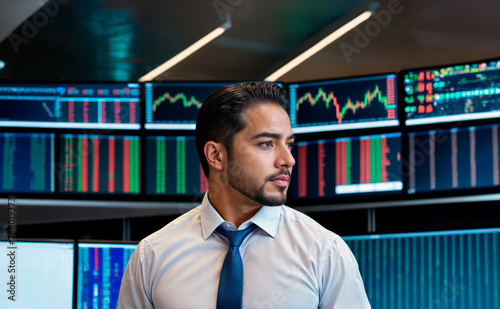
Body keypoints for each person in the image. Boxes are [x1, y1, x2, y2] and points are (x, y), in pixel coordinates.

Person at [118, 82, 371, 308]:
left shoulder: (325, 252)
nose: (288, 160)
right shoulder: (151, 257)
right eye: (266, 144)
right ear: (216, 155)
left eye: (289, 143)